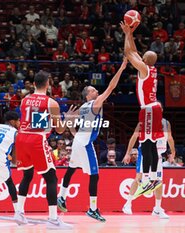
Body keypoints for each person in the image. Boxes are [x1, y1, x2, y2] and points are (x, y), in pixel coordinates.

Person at [57, 58, 128, 222]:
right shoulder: (95, 104)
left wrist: (68, 119)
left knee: (72, 168)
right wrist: (122, 67)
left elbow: (73, 129)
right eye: (94, 90)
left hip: (78, 141)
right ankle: (93, 209)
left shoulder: (82, 107)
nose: (97, 92)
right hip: (85, 143)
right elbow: (111, 87)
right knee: (95, 175)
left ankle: (62, 196)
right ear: (89, 94)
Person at [14, 70, 77, 229]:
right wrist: (68, 120)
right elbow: (60, 130)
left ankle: (19, 212)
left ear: (34, 84)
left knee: (27, 175)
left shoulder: (24, 100)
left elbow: (34, 121)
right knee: (51, 178)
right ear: (48, 84)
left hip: (21, 137)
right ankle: (53, 219)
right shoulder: (51, 103)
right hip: (36, 139)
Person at [120, 21, 164, 194]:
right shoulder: (150, 68)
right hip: (155, 108)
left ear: (145, 60)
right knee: (151, 144)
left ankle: (145, 180)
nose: (141, 56)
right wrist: (130, 33)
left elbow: (128, 52)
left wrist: (126, 34)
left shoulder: (144, 68)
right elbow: (134, 52)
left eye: (143, 56)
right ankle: (153, 178)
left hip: (149, 110)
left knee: (145, 144)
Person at [122, 118, 175, 219]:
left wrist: (173, 152)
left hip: (158, 155)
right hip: (145, 154)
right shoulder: (143, 122)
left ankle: (157, 209)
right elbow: (134, 136)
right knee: (139, 179)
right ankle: (128, 204)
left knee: (158, 182)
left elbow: (170, 138)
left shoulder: (166, 123)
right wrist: (127, 153)